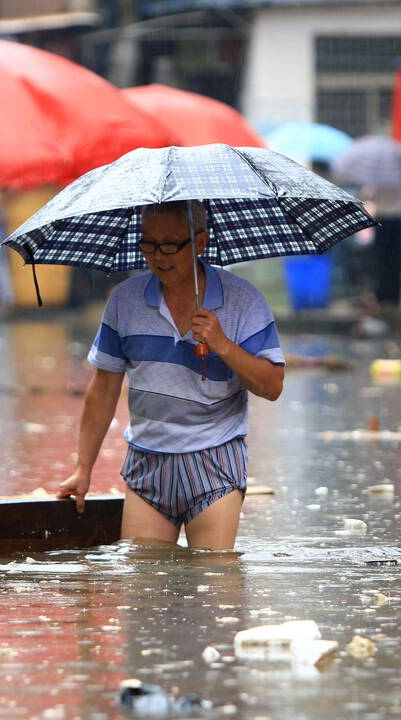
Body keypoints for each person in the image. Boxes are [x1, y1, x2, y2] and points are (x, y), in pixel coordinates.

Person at [56, 200, 285, 550]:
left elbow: (272, 386)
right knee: (147, 587)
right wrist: (83, 468)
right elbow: (103, 390)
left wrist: (222, 344)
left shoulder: (244, 301)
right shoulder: (125, 301)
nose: (159, 256)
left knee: (214, 584)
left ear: (201, 242)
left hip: (214, 458)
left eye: (170, 245)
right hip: (148, 460)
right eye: (149, 244)